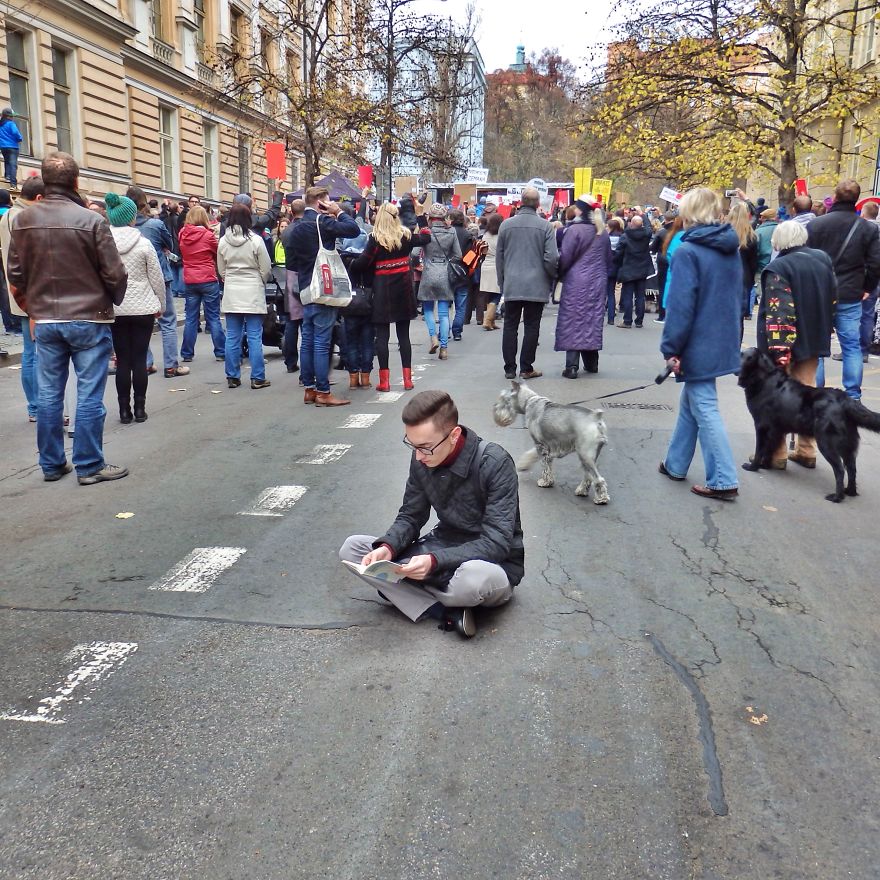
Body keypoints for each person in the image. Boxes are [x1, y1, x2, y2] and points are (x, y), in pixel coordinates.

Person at [338, 389, 524, 638]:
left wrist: (435, 561)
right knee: (354, 549)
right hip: (438, 548)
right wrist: (389, 547)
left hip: (490, 563)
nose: (418, 456)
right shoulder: (421, 458)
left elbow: (497, 543)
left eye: (425, 447)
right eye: (412, 445)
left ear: (454, 434)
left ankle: (405, 591)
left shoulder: (495, 462)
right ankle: (445, 611)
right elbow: (411, 516)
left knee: (471, 581)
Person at [7, 151, 129, 485]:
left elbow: (15, 274)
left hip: (46, 318)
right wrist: (111, 299)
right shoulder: (91, 220)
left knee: (49, 395)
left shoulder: (23, 220)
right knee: (89, 393)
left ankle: (52, 463)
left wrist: (33, 307)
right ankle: (89, 465)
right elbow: (115, 273)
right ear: (75, 181)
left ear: (46, 183)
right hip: (89, 316)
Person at [658, 187, 741, 500]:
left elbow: (681, 305)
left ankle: (723, 478)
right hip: (720, 336)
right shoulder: (729, 247)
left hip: (698, 340)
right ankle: (675, 463)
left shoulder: (688, 251)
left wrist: (671, 348)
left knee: (703, 405)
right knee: (693, 402)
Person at [746, 220, 836, 471]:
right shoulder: (822, 260)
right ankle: (807, 449)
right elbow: (833, 296)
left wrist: (780, 349)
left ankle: (777, 453)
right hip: (815, 336)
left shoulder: (778, 267)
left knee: (778, 396)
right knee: (808, 392)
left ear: (778, 241)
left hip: (784, 342)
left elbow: (779, 311)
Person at [285, 185, 360, 406]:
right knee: (321, 342)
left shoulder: (294, 228)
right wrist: (338, 211)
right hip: (324, 287)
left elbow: (292, 263)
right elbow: (353, 229)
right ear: (321, 202)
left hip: (306, 287)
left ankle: (309, 388)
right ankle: (323, 391)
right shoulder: (323, 223)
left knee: (307, 340)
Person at [807, 178, 880, 399]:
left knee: (817, 347)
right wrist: (867, 286)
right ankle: (853, 395)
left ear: (835, 197)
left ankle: (816, 393)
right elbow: (876, 262)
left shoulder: (816, 225)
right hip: (850, 292)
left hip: (820, 292)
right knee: (851, 346)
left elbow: (806, 259)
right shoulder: (867, 228)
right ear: (857, 200)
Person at [351, 200, 430, 392]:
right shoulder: (406, 235)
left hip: (382, 290)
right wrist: (420, 214)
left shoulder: (376, 239)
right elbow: (426, 237)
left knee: (383, 337)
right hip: (403, 289)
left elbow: (363, 263)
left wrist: (351, 262)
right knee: (404, 336)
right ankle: (407, 380)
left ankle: (384, 381)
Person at [104, 192, 165, 423]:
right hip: (142, 307)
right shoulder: (144, 243)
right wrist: (161, 304)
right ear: (131, 217)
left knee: (122, 359)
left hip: (116, 308)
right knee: (139, 359)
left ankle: (123, 411)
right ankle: (140, 408)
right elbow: (156, 278)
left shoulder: (104, 243)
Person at [495, 186, 559, 379]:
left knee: (510, 325)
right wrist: (549, 277)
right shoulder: (546, 226)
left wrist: (502, 281)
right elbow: (551, 257)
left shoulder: (506, 225)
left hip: (512, 283)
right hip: (536, 284)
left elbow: (500, 257)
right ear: (538, 204)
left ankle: (509, 368)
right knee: (532, 326)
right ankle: (526, 367)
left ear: (520, 202)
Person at [126, 185, 189, 378]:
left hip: (134, 278)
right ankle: (171, 365)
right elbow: (169, 244)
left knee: (139, 322)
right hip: (160, 276)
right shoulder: (154, 225)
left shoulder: (124, 229)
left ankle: (146, 362)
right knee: (167, 321)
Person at [0, 176, 43, 418]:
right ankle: (37, 406)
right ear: (38, 198)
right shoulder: (25, 218)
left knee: (29, 352)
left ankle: (33, 407)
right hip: (29, 294)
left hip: (15, 291)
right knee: (34, 352)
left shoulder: (7, 215)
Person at [217, 203, 273, 389]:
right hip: (252, 289)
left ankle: (232, 376)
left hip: (232, 289)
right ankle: (257, 377)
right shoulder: (255, 240)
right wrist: (260, 281)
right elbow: (266, 267)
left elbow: (221, 269)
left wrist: (229, 279)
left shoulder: (223, 241)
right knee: (254, 335)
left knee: (232, 335)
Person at [556, 198, 612, 378]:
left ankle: (571, 366)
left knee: (573, 318)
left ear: (580, 211)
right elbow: (608, 258)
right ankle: (591, 362)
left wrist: (559, 275)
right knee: (592, 319)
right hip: (597, 281)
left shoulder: (574, 230)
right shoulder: (602, 232)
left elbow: (565, 257)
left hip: (576, 280)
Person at [178, 205, 225, 365]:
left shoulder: (182, 234)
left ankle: (187, 353)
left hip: (190, 279)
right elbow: (216, 252)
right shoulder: (208, 235)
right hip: (207, 278)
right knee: (213, 317)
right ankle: (220, 351)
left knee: (191, 318)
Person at [418, 203, 458, 360]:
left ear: (430, 217)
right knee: (443, 313)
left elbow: (415, 253)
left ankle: (433, 337)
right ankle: (444, 348)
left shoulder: (425, 232)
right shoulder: (451, 232)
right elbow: (458, 255)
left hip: (428, 272)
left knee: (428, 309)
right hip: (445, 274)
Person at [614, 214, 653, 328]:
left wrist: (617, 263)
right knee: (640, 296)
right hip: (642, 268)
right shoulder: (646, 235)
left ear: (631, 224)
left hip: (628, 268)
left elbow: (618, 253)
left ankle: (627, 320)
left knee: (628, 296)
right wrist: (643, 215)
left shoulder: (625, 236)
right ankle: (639, 321)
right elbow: (649, 228)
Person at [281, 198, 306, 374]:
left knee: (291, 321)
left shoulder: (287, 231)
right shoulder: (307, 228)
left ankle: (290, 361)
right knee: (308, 323)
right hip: (305, 274)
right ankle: (307, 362)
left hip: (290, 274)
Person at [728, 201, 758, 331]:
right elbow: (753, 263)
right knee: (738, 319)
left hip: (726, 275)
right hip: (743, 276)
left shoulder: (723, 234)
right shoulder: (751, 237)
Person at [447, 209, 474, 340]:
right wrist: (465, 266)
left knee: (444, 304)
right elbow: (470, 255)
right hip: (462, 273)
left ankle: (444, 330)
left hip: (447, 271)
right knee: (461, 304)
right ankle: (457, 331)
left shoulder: (447, 233)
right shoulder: (467, 235)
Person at [479, 211, 503, 330]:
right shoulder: (501, 236)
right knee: (497, 294)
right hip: (497, 266)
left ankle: (491, 321)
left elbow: (482, 251)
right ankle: (488, 320)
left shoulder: (485, 235)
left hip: (486, 265)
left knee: (489, 294)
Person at [650, 212, 675, 322]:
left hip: (663, 259)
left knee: (662, 286)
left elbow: (653, 247)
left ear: (665, 218)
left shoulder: (662, 232)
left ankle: (662, 314)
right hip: (676, 259)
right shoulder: (679, 232)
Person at [605, 217, 624, 325]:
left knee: (603, 292)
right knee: (611, 292)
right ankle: (611, 317)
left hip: (606, 266)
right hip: (616, 267)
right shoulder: (622, 238)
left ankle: (600, 312)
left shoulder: (605, 238)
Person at [0, 108, 22, 189]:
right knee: (13, 164)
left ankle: (7, 178)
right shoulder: (11, 124)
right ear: (8, 117)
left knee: (7, 162)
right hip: (13, 147)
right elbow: (15, 132)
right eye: (12, 116)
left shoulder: (1, 125)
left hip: (3, 147)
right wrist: (20, 138)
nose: (13, 117)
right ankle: (13, 184)